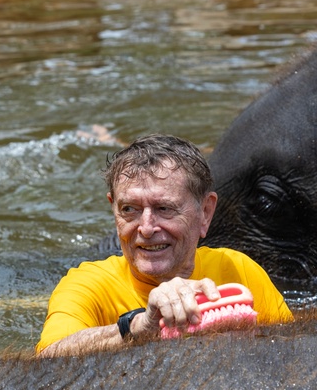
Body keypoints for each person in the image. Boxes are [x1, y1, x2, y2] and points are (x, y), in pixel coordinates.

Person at [36, 134, 291, 357]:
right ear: (113, 209)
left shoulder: (239, 271)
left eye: (164, 209)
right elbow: (48, 359)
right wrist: (137, 326)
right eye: (129, 209)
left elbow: (294, 351)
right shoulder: (87, 285)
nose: (146, 228)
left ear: (205, 212)